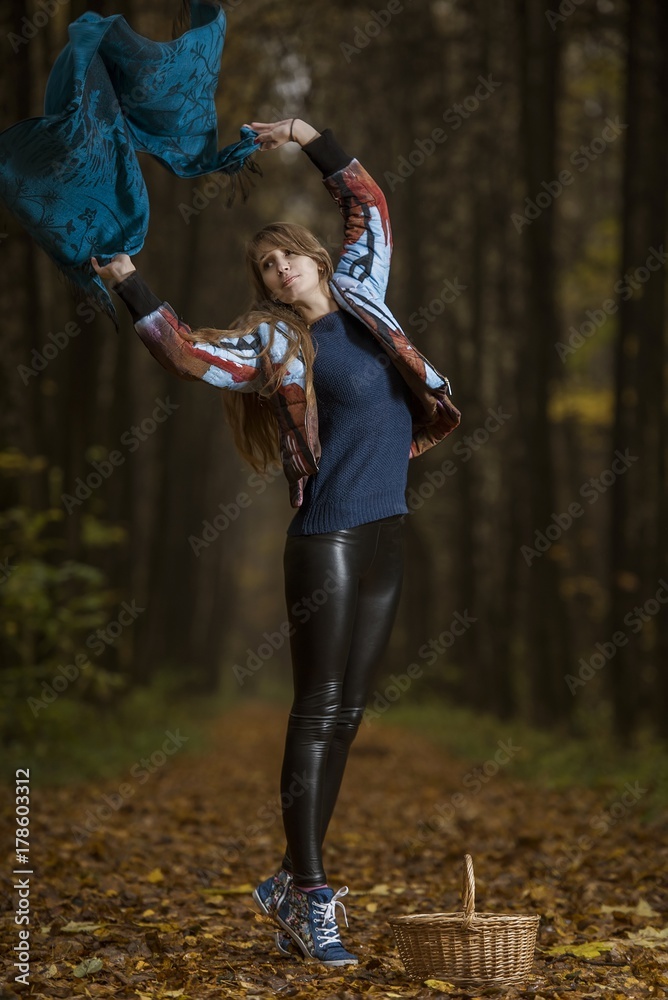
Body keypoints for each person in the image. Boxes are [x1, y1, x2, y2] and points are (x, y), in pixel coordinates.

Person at [92, 117, 461, 968]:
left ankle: (289, 883)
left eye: (287, 252)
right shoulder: (272, 343)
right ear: (261, 283)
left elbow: (367, 201)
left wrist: (306, 134)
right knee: (320, 708)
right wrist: (127, 277)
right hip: (327, 538)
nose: (278, 265)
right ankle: (315, 893)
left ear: (316, 256)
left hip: (386, 532)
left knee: (353, 712)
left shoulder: (365, 292)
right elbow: (185, 355)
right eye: (264, 263)